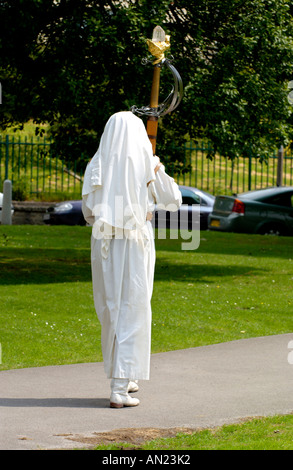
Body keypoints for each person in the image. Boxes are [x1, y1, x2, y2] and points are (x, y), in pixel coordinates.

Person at [82, 111, 182, 408]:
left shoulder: (96, 164)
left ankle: (126, 374)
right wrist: (157, 167)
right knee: (133, 306)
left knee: (110, 307)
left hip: (104, 240)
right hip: (136, 238)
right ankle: (119, 387)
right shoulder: (147, 164)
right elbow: (173, 201)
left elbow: (88, 210)